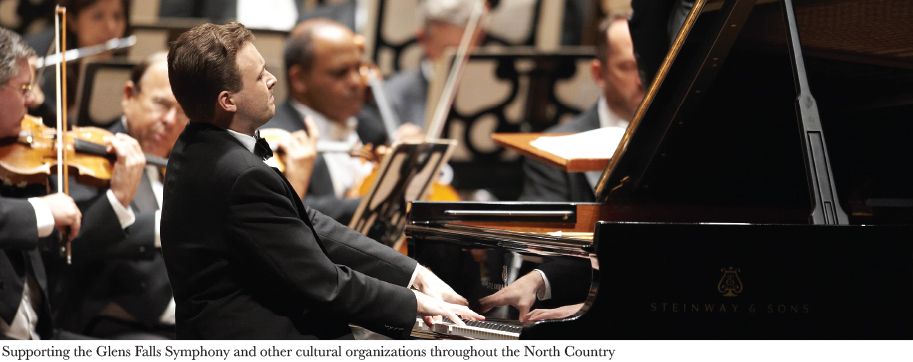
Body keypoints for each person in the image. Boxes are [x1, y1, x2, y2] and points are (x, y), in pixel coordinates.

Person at [161, 22, 481, 339]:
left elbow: (309, 223)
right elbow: (325, 283)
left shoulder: (195, 143)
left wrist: (415, 275)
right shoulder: (238, 174)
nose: (273, 80)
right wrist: (416, 303)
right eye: (259, 76)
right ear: (227, 101)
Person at [478, 13, 645, 322]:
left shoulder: (674, 141)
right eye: (626, 66)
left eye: (646, 67)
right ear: (599, 72)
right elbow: (544, 242)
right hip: (569, 302)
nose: (640, 79)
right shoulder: (553, 145)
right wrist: (541, 280)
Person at [46, 52, 188, 340]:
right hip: (110, 326)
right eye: (161, 104)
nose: (171, 120)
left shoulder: (183, 164)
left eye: (183, 110)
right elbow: (72, 242)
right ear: (128, 96)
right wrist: (121, 200)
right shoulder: (87, 157)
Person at [262, 18, 387, 225]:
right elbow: (293, 208)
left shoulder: (371, 126)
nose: (357, 81)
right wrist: (375, 204)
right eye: (340, 73)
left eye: (358, 68)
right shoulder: (275, 137)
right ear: (299, 80)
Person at [376, 0, 485, 136]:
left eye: (469, 50)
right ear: (422, 39)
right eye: (449, 52)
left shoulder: (495, 91)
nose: (461, 62)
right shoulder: (391, 95)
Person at [26, 0, 129, 124]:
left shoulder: (126, 75)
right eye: (97, 16)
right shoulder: (48, 70)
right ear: (73, 21)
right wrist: (38, 102)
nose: (110, 27)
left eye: (117, 16)